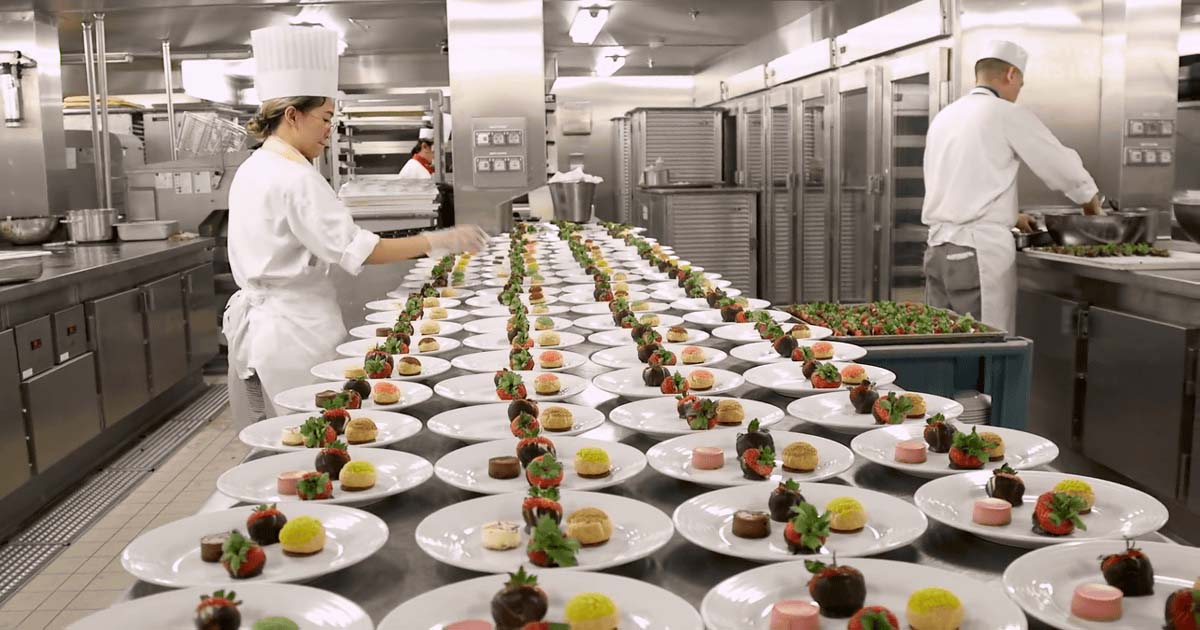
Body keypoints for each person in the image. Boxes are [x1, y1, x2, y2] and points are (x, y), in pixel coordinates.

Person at [223, 25, 487, 428]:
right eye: (325, 118)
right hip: (295, 333)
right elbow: (362, 250)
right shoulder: (296, 177)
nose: (329, 131)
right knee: (317, 431)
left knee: (290, 430)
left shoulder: (255, 166)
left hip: (268, 331)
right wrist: (441, 239)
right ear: (293, 115)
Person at [922, 40, 1101, 334]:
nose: (1019, 91)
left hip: (938, 251)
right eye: (1021, 83)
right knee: (982, 343)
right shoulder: (1004, 113)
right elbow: (1057, 162)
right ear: (1011, 74)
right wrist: (1091, 204)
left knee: (942, 341)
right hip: (976, 253)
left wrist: (1013, 216)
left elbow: (953, 181)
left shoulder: (945, 117)